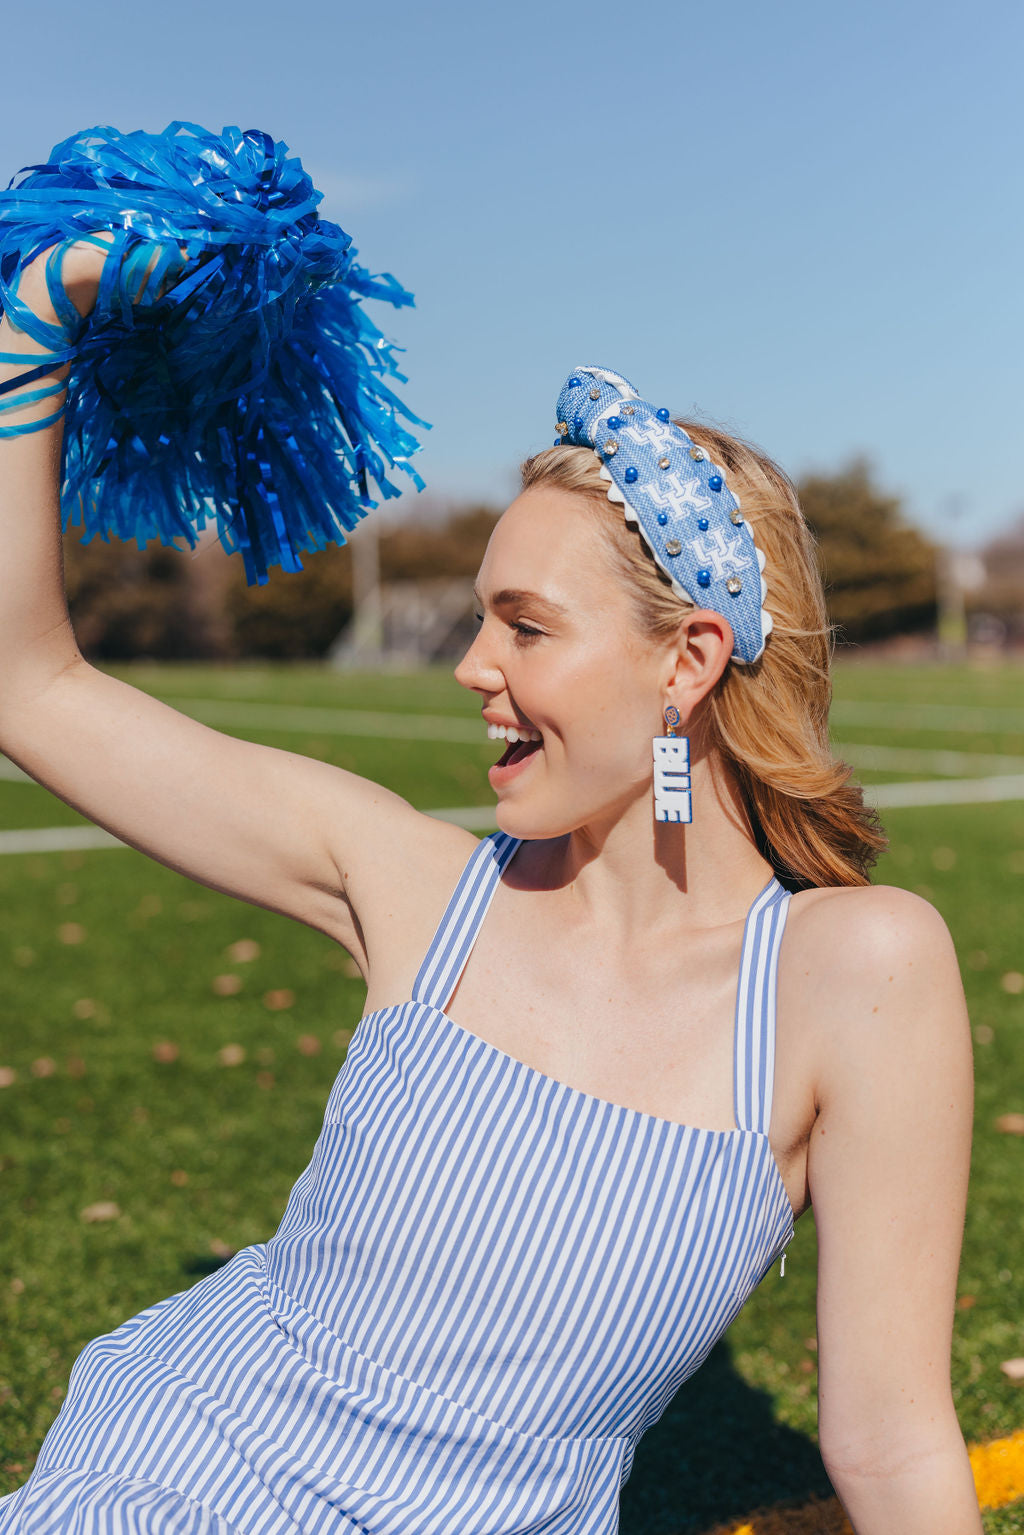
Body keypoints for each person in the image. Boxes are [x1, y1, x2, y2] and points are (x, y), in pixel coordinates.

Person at [0, 245, 981, 1535]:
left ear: (686, 660)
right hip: (171, 1483)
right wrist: (34, 313)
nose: (470, 666)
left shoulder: (856, 972)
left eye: (524, 626)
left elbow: (895, 1444)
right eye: (480, 620)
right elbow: (32, 687)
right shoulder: (410, 883)